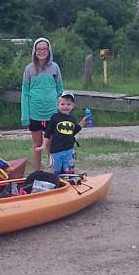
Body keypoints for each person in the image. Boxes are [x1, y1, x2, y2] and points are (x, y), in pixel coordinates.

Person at [22, 37, 63, 171]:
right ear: (34, 51)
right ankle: (37, 172)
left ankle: (53, 171)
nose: (41, 51)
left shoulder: (55, 67)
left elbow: (60, 90)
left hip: (52, 112)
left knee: (51, 143)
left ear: (49, 50)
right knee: (37, 144)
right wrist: (25, 116)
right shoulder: (29, 69)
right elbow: (25, 93)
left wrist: (61, 110)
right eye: (39, 49)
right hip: (35, 112)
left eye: (44, 49)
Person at [34, 91, 86, 176]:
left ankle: (69, 183)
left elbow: (72, 132)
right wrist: (43, 145)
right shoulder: (54, 117)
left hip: (69, 150)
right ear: (58, 106)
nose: (65, 106)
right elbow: (47, 133)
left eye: (68, 104)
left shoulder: (72, 118)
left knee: (68, 171)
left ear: (73, 106)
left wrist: (81, 124)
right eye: (62, 104)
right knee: (55, 171)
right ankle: (56, 184)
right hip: (56, 150)